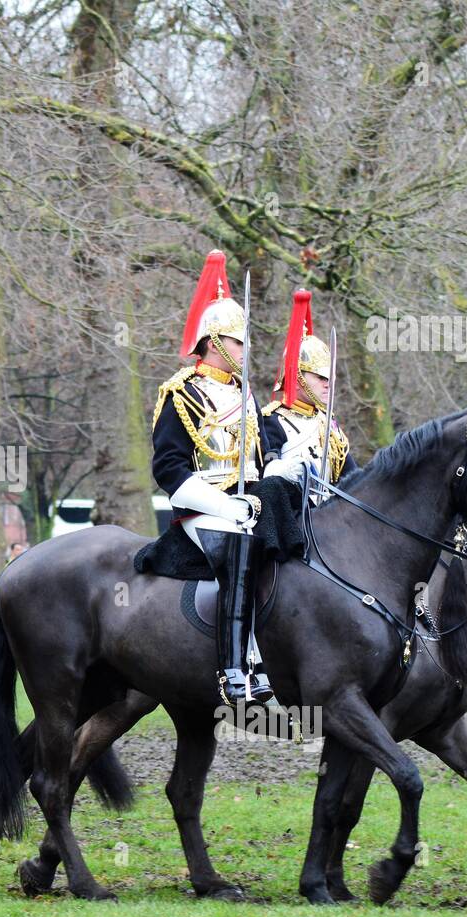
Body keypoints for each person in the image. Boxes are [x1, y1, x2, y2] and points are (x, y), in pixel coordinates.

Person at [151, 250, 279, 704]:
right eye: (239, 342)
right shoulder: (181, 393)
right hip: (202, 507)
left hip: (248, 502)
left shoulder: (246, 396)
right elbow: (168, 468)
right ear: (215, 342)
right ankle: (235, 668)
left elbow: (265, 456)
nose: (247, 351)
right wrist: (225, 505)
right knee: (240, 549)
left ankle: (272, 653)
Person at [261, 289, 356, 495]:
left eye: (329, 378)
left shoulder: (328, 423)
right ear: (296, 378)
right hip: (291, 516)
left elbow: (350, 475)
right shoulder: (272, 421)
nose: (327, 384)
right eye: (320, 377)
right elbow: (266, 476)